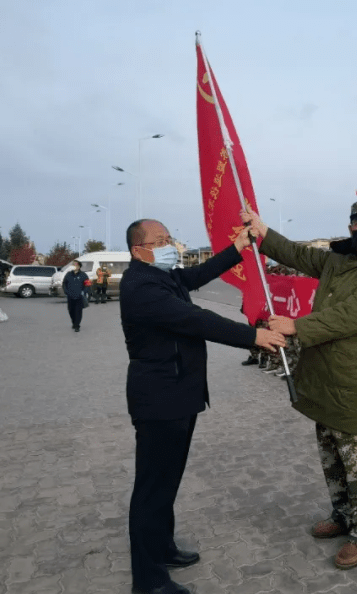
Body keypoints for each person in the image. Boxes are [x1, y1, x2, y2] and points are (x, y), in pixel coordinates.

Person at [121, 218, 284, 594]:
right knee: (151, 489)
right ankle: (147, 580)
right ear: (138, 250)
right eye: (160, 240)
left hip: (180, 395)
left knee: (168, 481)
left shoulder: (163, 276)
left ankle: (162, 546)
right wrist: (252, 335)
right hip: (160, 400)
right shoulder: (140, 286)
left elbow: (198, 275)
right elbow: (195, 319)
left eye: (168, 238)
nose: (168, 245)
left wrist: (240, 246)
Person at [243, 200, 357, 570]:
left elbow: (352, 315)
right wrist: (263, 230)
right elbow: (297, 254)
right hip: (322, 374)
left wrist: (297, 326)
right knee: (331, 453)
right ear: (350, 227)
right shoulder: (337, 259)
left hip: (354, 378)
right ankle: (343, 513)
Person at [62, 260, 89, 332]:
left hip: (79, 297)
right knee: (71, 311)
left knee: (78, 311)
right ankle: (74, 322)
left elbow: (88, 285)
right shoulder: (68, 274)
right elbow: (64, 284)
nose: (74, 266)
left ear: (79, 266)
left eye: (76, 265)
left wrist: (84, 292)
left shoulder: (83, 275)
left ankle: (77, 325)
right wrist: (66, 292)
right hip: (70, 297)